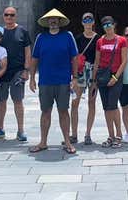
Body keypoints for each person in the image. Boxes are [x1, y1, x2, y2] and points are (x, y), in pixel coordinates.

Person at [29, 8, 79, 154]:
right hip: (45, 81)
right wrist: (32, 78)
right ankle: (43, 142)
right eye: (50, 19)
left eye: (56, 19)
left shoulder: (68, 36)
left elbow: (74, 58)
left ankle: (68, 142)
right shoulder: (41, 37)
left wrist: (75, 77)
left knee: (63, 111)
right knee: (45, 111)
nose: (53, 21)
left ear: (59, 21)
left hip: (63, 81)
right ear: (47, 22)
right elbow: (34, 58)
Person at [0, 6, 32, 143]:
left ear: (16, 16)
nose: (9, 17)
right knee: (1, 101)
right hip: (1, 72)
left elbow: (27, 52)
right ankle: (0, 130)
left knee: (17, 100)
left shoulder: (22, 31)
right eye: (7, 15)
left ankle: (20, 130)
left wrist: (26, 70)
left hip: (17, 71)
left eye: (12, 15)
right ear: (3, 16)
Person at [93, 15, 128, 148]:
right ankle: (110, 135)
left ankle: (119, 135)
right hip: (102, 77)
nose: (108, 27)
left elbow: (124, 61)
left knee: (113, 106)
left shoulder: (121, 40)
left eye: (110, 24)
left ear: (114, 25)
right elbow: (97, 61)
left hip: (115, 76)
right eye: (105, 25)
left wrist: (115, 77)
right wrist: (93, 80)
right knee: (106, 107)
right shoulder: (100, 41)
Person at [71, 12, 99, 145]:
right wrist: (74, 76)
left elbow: (99, 59)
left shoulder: (98, 39)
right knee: (75, 102)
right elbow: (74, 58)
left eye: (90, 19)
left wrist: (94, 78)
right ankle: (74, 134)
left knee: (91, 103)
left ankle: (88, 134)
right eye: (85, 19)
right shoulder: (77, 38)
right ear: (82, 22)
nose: (88, 22)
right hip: (81, 72)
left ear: (93, 22)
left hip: (93, 72)